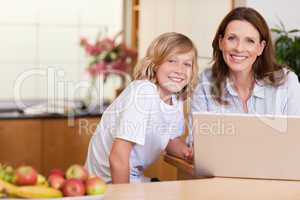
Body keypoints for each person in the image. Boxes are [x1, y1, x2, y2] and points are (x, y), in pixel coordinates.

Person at [85, 32, 199, 184]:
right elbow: (118, 157)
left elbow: (170, 138)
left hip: (134, 179)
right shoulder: (143, 92)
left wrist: (187, 152)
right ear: (155, 64)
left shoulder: (175, 98)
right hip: (106, 184)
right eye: (172, 61)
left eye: (187, 64)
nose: (180, 70)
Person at [188, 7, 300, 145]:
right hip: (219, 166)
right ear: (220, 42)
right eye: (232, 38)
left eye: (250, 41)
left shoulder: (287, 82)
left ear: (261, 47)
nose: (239, 48)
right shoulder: (205, 82)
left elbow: (295, 143)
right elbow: (197, 144)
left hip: (275, 166)